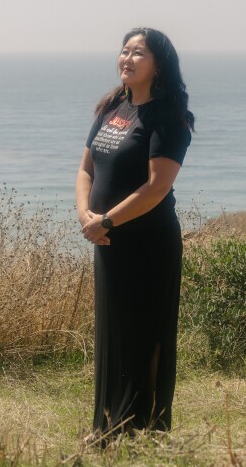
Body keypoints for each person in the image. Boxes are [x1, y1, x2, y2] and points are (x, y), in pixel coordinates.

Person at [75, 27, 194, 445]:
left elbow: (156, 188)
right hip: (108, 241)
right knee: (113, 331)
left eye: (138, 53)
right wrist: (85, 214)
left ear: (158, 64)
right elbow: (86, 169)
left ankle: (145, 431)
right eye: (124, 51)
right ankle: (106, 426)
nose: (126, 58)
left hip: (148, 244)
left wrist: (105, 221)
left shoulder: (168, 117)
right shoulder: (112, 108)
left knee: (145, 332)